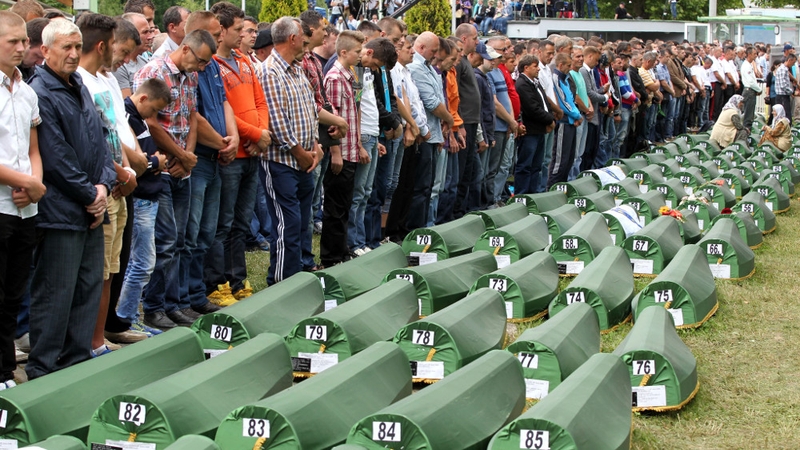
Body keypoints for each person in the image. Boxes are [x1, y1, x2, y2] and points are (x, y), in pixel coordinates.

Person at [27, 19, 116, 379]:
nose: (74, 53)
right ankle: (44, 373)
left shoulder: (79, 83)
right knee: (56, 296)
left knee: (87, 291)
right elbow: (55, 156)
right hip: (61, 212)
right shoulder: (41, 91)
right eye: (66, 47)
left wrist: (105, 186)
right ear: (46, 51)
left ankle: (75, 370)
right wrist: (89, 194)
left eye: (77, 46)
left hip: (91, 207)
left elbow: (100, 143)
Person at [133, 29, 217, 330]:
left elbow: (192, 116)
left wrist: (189, 155)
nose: (202, 68)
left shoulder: (189, 75)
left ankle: (176, 303)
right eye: (201, 61)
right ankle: (154, 307)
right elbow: (149, 122)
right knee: (166, 241)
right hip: (161, 169)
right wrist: (180, 155)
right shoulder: (154, 71)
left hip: (182, 166)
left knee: (182, 240)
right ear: (185, 49)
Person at [208, 1, 268, 300]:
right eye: (237, 29)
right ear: (222, 31)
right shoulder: (213, 66)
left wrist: (262, 134)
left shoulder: (244, 61)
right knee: (224, 222)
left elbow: (260, 100)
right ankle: (218, 283)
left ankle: (238, 280)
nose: (242, 33)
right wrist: (255, 134)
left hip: (253, 152)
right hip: (232, 155)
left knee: (241, 222)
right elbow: (226, 109)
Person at [0, 10, 46, 389]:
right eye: (12, 41)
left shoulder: (27, 91)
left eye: (24, 41)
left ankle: (5, 371)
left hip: (25, 206)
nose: (21, 47)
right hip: (0, 205)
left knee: (15, 294)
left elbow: (33, 148)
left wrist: (34, 183)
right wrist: (24, 182)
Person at [259, 17, 322, 285]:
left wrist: (316, 144)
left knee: (301, 223)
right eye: (303, 37)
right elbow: (276, 120)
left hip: (305, 159)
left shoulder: (297, 70)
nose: (307, 42)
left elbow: (311, 111)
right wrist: (299, 151)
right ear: (292, 38)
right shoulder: (269, 71)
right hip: (281, 161)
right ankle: (283, 284)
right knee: (288, 224)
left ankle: (293, 276)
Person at [116, 79, 170, 336]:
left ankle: (126, 317)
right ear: (144, 99)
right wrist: (154, 162)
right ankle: (125, 317)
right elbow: (136, 162)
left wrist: (155, 161)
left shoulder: (139, 117)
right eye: (153, 110)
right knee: (141, 263)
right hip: (139, 198)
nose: (154, 116)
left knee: (141, 261)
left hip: (150, 196)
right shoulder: (128, 116)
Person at [320, 30, 364, 268]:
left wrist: (358, 144)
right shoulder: (335, 78)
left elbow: (352, 114)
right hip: (341, 152)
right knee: (335, 207)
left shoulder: (349, 74)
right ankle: (331, 256)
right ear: (344, 52)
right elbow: (332, 120)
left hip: (351, 150)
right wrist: (336, 151)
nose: (360, 55)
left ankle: (341, 250)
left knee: (345, 204)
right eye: (357, 51)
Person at [515, 54, 555, 194]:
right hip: (530, 130)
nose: (538, 69)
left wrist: (550, 117)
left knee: (536, 165)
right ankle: (522, 194)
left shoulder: (534, 82)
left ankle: (533, 193)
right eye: (535, 66)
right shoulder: (522, 84)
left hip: (539, 129)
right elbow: (532, 108)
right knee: (526, 164)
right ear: (526, 68)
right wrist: (549, 119)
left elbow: (544, 102)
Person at [547, 52, 582, 187]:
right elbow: (562, 102)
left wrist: (577, 115)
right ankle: (553, 185)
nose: (570, 67)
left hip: (571, 121)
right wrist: (577, 115)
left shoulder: (565, 79)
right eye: (568, 65)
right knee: (560, 159)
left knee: (569, 158)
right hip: (563, 123)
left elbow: (571, 100)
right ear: (560, 65)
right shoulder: (555, 78)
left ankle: (562, 185)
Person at [740, 46, 761, 131]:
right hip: (749, 91)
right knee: (748, 115)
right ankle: (746, 132)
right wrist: (759, 89)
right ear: (749, 54)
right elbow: (751, 81)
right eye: (754, 54)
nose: (756, 55)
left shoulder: (749, 65)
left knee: (750, 114)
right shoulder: (746, 66)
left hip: (750, 90)